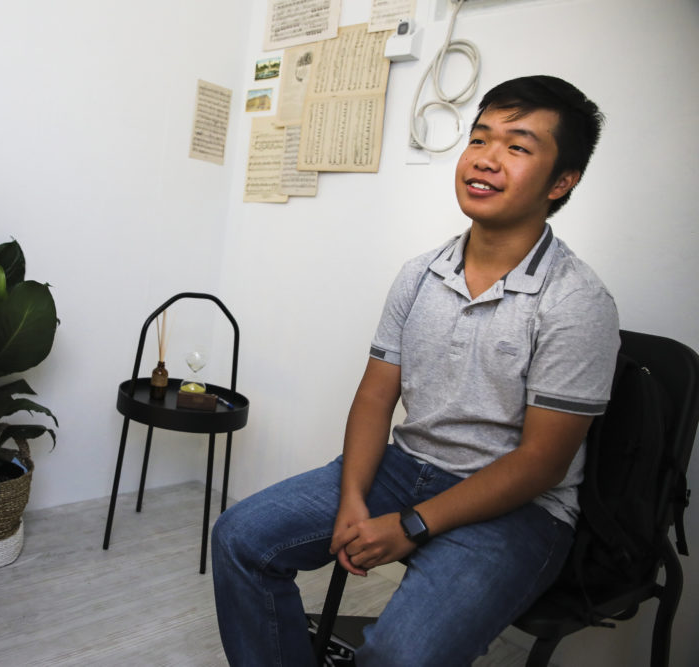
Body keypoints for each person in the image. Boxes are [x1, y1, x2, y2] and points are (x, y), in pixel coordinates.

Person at [211, 75, 620, 667]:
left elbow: (541, 463)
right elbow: (376, 398)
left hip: (520, 506)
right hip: (406, 469)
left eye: (518, 146)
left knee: (401, 654)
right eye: (481, 138)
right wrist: (354, 498)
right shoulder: (420, 274)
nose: (486, 158)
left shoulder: (576, 301)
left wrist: (410, 526)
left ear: (562, 181)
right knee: (240, 539)